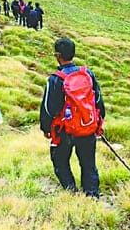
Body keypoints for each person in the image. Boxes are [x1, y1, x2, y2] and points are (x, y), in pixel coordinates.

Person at [40, 37, 105, 198]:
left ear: (57, 55)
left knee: (60, 161)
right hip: (87, 126)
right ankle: (92, 195)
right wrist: (98, 122)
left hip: (64, 131)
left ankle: (71, 192)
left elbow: (48, 108)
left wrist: (46, 128)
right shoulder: (87, 74)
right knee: (88, 164)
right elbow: (98, 100)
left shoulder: (55, 79)